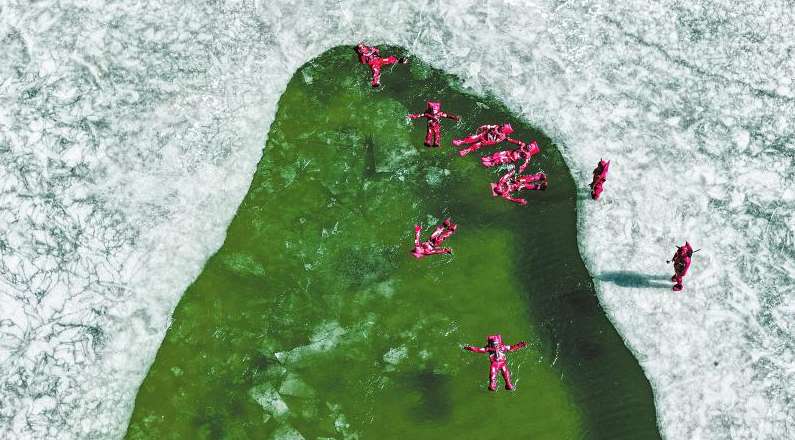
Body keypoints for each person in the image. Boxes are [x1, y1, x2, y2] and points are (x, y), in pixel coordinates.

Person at [452, 123, 517, 156]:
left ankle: (467, 150)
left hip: (486, 141)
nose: (501, 126)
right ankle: (462, 141)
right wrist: (483, 127)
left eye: (503, 127)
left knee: (476, 145)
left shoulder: (501, 137)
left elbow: (494, 142)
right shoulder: (497, 127)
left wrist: (486, 142)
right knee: (472, 138)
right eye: (502, 126)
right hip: (483, 135)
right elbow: (488, 126)